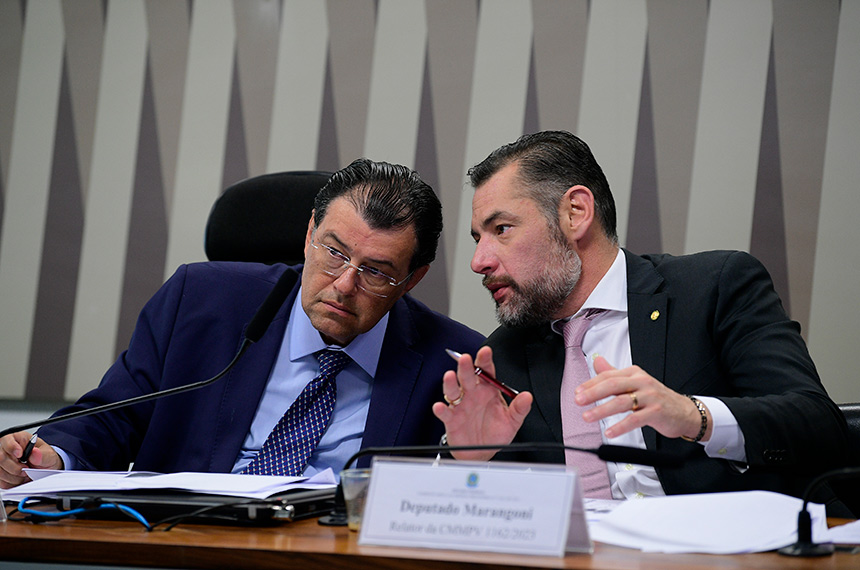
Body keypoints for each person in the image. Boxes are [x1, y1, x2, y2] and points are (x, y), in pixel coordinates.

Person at [0, 158, 484, 488]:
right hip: (182, 545)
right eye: (334, 252)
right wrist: (48, 458)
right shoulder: (200, 301)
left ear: (412, 279)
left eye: (375, 272)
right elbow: (114, 415)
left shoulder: (455, 364)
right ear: (309, 234)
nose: (343, 285)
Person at [432, 130, 850, 507]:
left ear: (576, 212)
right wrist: (467, 460)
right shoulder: (504, 354)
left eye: (502, 229)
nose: (478, 261)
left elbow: (819, 427)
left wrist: (693, 416)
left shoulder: (713, 289)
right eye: (478, 238)